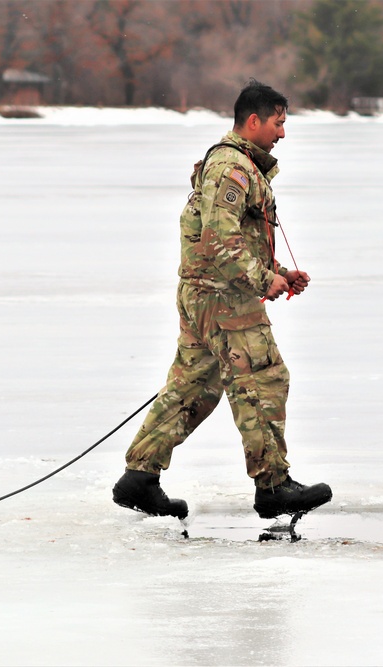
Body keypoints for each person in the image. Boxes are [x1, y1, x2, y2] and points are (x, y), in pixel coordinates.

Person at [112, 80, 332, 520]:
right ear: (254, 121)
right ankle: (272, 485)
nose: (282, 133)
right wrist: (259, 279)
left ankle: (140, 476)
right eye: (277, 122)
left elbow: (233, 236)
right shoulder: (232, 168)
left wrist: (278, 274)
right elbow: (219, 238)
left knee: (195, 385)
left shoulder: (240, 164)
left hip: (208, 292)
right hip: (222, 297)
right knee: (263, 377)